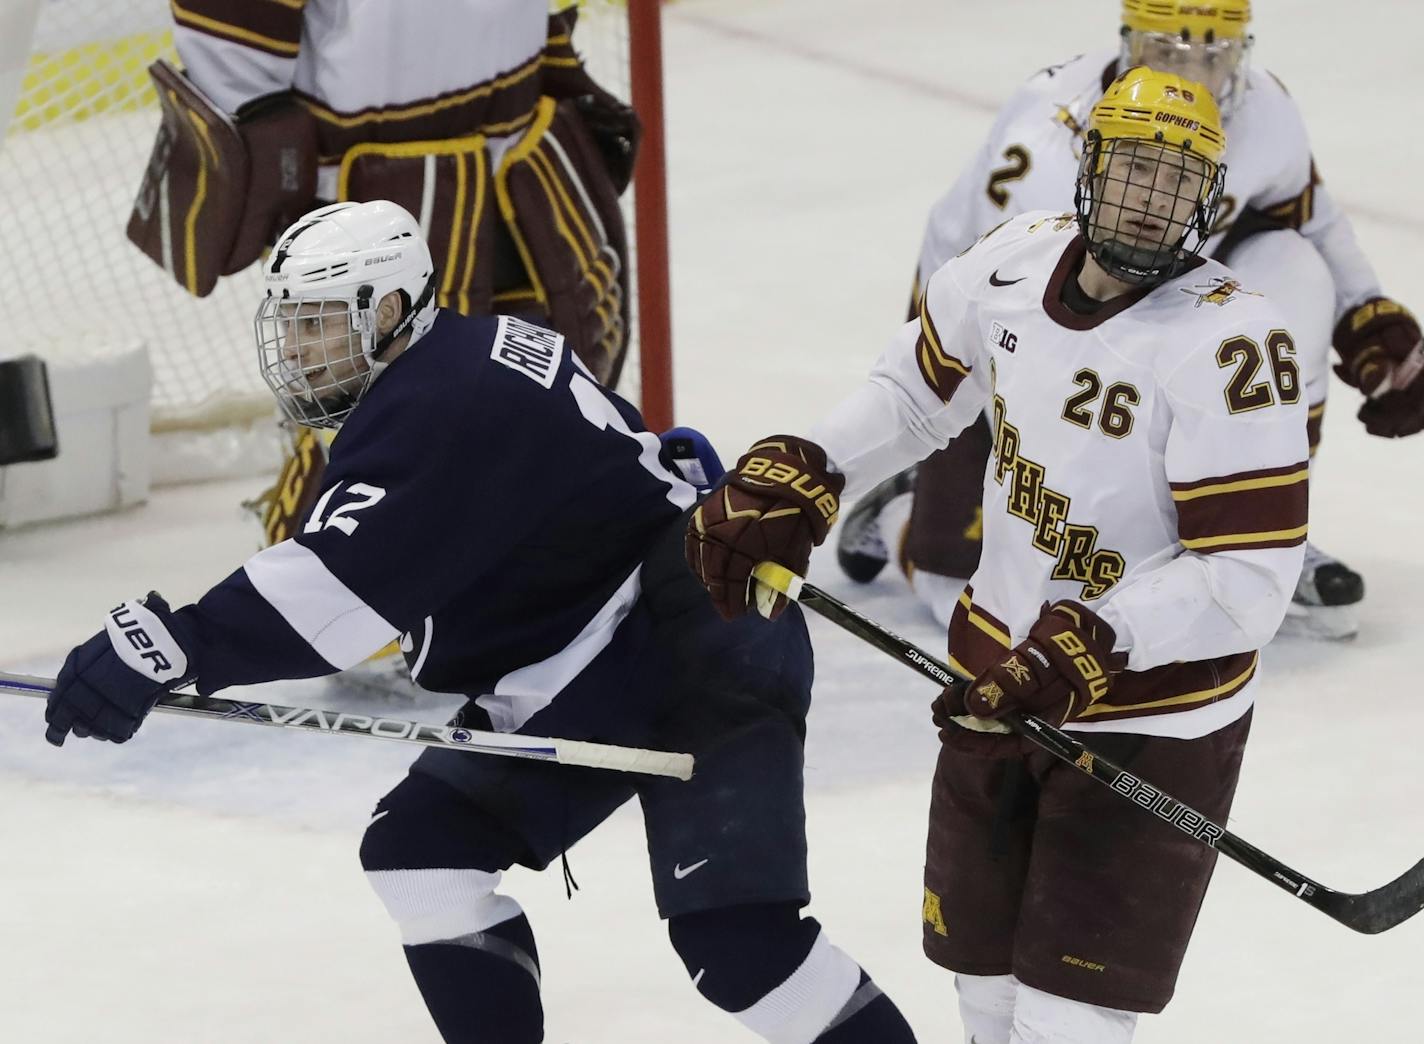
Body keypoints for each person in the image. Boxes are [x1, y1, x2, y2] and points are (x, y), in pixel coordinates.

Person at [42, 201, 916, 1044]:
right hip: (614, 644)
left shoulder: (440, 403)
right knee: (422, 851)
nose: (299, 351)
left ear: (386, 310)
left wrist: (169, 647)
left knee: (742, 948)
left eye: (317, 324)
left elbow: (335, 591)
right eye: (291, 324)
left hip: (691, 639)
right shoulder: (451, 359)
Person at [688, 70, 1307, 1043]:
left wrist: (1093, 644)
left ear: (1204, 202)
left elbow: (1246, 582)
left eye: (1174, 181)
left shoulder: (1232, 345)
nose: (1149, 198)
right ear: (1088, 167)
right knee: (982, 992)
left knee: (1068, 1022)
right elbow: (911, 393)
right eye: (1133, 168)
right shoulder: (1012, 262)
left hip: (1147, 716)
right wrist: (810, 465)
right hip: (991, 677)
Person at [835, 0, 1420, 641]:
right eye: (1169, 49)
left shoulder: (1262, 108)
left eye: (1212, 50)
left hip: (1157, 289)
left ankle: (1268, 531)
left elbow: (1311, 218)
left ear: (1241, 51)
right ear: (1129, 43)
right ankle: (901, 511)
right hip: (995, 332)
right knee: (970, 590)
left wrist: (1369, 318)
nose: (1193, 72)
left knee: (1294, 265)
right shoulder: (1054, 149)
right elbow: (1024, 321)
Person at [128, 0, 640, 545]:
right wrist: (280, 181)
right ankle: (312, 601)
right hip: (372, 193)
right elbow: (231, 59)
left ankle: (553, 593)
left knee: (557, 400)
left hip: (528, 153)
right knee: (378, 433)